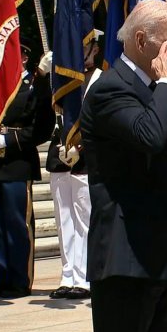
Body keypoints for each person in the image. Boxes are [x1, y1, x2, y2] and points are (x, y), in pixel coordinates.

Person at [80, 0, 167, 332]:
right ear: (141, 40)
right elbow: (149, 136)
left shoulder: (158, 90)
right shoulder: (110, 89)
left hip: (164, 264)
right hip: (127, 263)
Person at [0, 38, 54, 298]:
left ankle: (20, 280)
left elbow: (42, 127)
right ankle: (2, 278)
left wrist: (9, 140)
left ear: (22, 58)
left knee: (16, 223)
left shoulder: (31, 86)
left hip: (17, 162)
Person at [47, 29, 104, 300]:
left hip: (84, 159)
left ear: (95, 49)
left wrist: (80, 147)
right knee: (63, 221)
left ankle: (84, 277)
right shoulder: (61, 76)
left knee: (85, 220)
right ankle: (67, 274)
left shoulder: (99, 79)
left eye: (86, 47)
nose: (81, 52)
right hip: (60, 159)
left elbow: (101, 122)